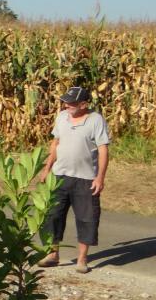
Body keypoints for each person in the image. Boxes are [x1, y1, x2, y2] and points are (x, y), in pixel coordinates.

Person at [36, 85, 111, 274]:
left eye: (72, 103)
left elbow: (103, 149)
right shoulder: (62, 117)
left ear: (84, 104)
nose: (67, 105)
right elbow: (56, 143)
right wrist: (47, 168)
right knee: (52, 215)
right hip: (60, 176)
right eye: (66, 102)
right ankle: (53, 254)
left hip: (85, 178)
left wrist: (100, 177)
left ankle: (82, 259)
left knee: (87, 218)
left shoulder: (95, 120)